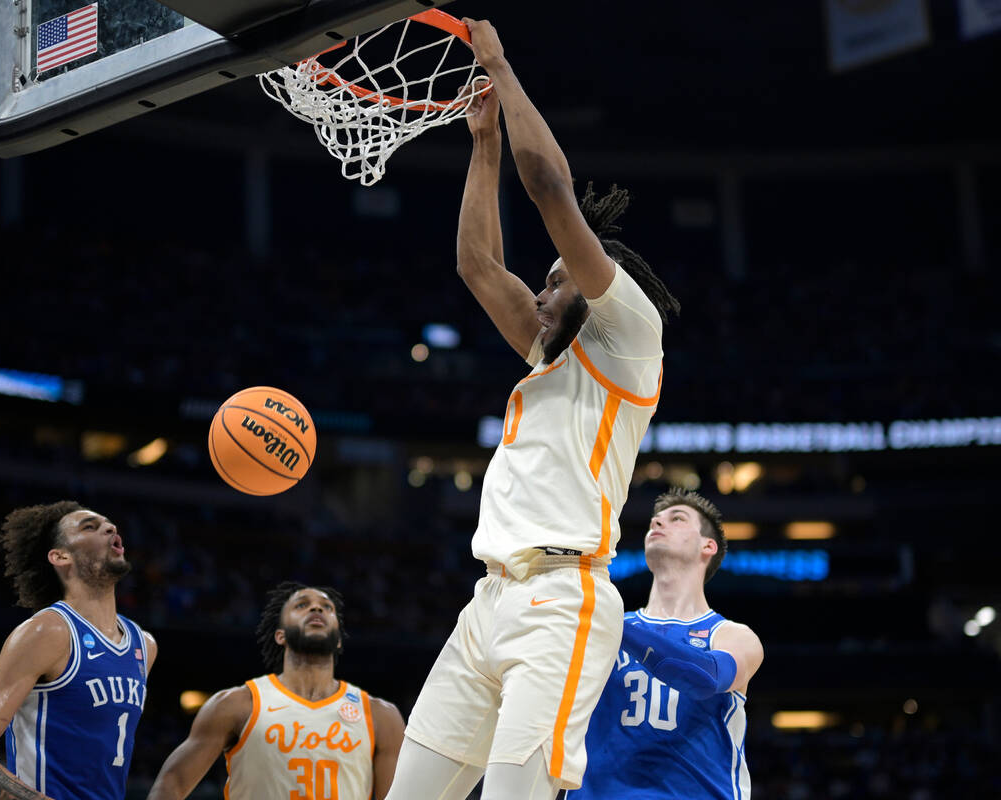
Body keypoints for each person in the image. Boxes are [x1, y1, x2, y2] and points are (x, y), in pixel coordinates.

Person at [384, 18, 682, 800]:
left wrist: (501, 67)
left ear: (600, 287)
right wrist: (480, 143)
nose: (540, 291)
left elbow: (550, 189)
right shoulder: (550, 357)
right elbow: (476, 264)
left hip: (563, 601)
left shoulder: (628, 340)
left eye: (554, 280)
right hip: (486, 602)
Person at [0, 501, 156, 800]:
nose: (110, 527)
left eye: (109, 523)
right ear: (60, 556)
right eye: (89, 527)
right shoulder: (48, 632)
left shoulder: (144, 645)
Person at [568, 489, 764, 799]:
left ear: (707, 546)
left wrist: (610, 623)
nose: (658, 523)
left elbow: (704, 678)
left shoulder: (732, 635)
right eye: (655, 520)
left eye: (677, 519)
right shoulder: (604, 625)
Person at [147, 581, 405, 800]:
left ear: (338, 638)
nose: (317, 608)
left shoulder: (380, 716)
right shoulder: (237, 704)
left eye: (327, 608)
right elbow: (173, 783)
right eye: (302, 605)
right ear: (280, 635)